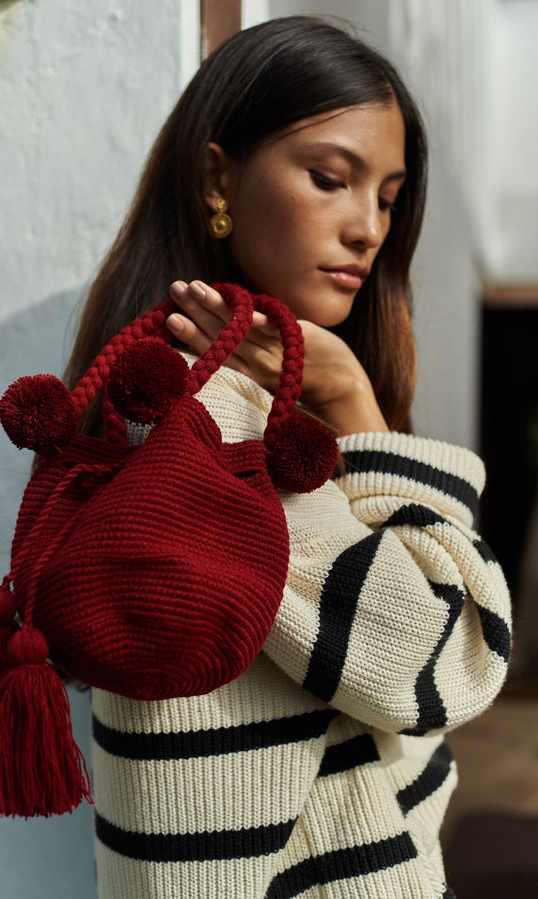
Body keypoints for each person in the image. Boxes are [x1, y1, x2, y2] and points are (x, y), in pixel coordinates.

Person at [65, 17, 511, 899]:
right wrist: (353, 398)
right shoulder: (212, 429)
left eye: (387, 196)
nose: (368, 228)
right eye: (330, 179)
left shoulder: (188, 403)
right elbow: (451, 655)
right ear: (218, 177)